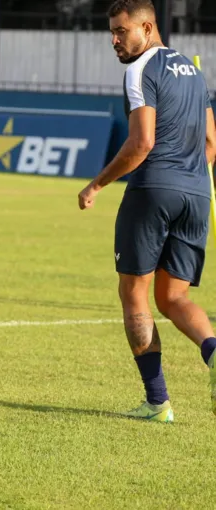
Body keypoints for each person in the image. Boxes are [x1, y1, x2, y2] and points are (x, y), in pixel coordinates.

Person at [78, 0, 216, 421]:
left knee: (133, 294)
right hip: (197, 195)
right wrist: (189, 178)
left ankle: (157, 403)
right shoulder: (194, 73)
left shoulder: (139, 70)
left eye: (122, 31)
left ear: (147, 27)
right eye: (112, 33)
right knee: (174, 297)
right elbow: (212, 143)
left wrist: (97, 183)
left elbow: (142, 143)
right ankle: (214, 353)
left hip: (153, 190)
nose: (115, 41)